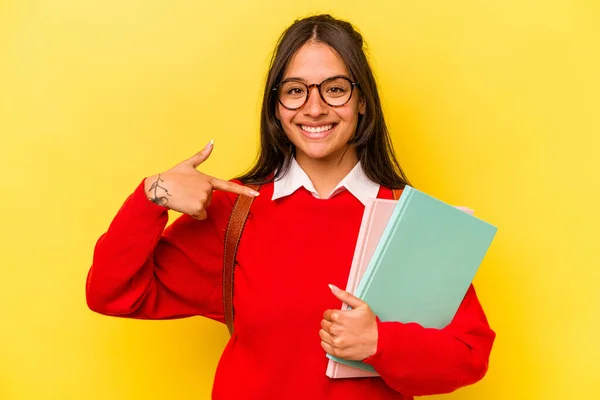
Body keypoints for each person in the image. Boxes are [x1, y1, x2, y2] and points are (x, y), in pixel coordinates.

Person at [86, 14, 495, 400]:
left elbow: (468, 355)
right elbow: (112, 293)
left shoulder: (412, 222)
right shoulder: (234, 210)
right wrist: (150, 195)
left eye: (334, 89)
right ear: (276, 107)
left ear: (363, 101)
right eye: (295, 91)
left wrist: (379, 343)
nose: (313, 108)